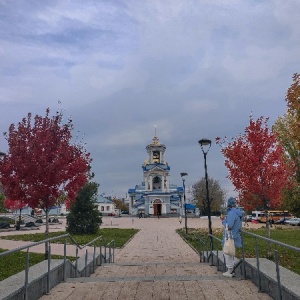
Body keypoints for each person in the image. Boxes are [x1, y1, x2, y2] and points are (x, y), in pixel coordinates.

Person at [222, 197, 243, 277]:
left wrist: (223, 221)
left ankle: (230, 270)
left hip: (230, 236)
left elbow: (229, 225)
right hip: (235, 235)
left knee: (227, 252)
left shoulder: (231, 213)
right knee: (231, 252)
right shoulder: (238, 213)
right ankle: (232, 268)